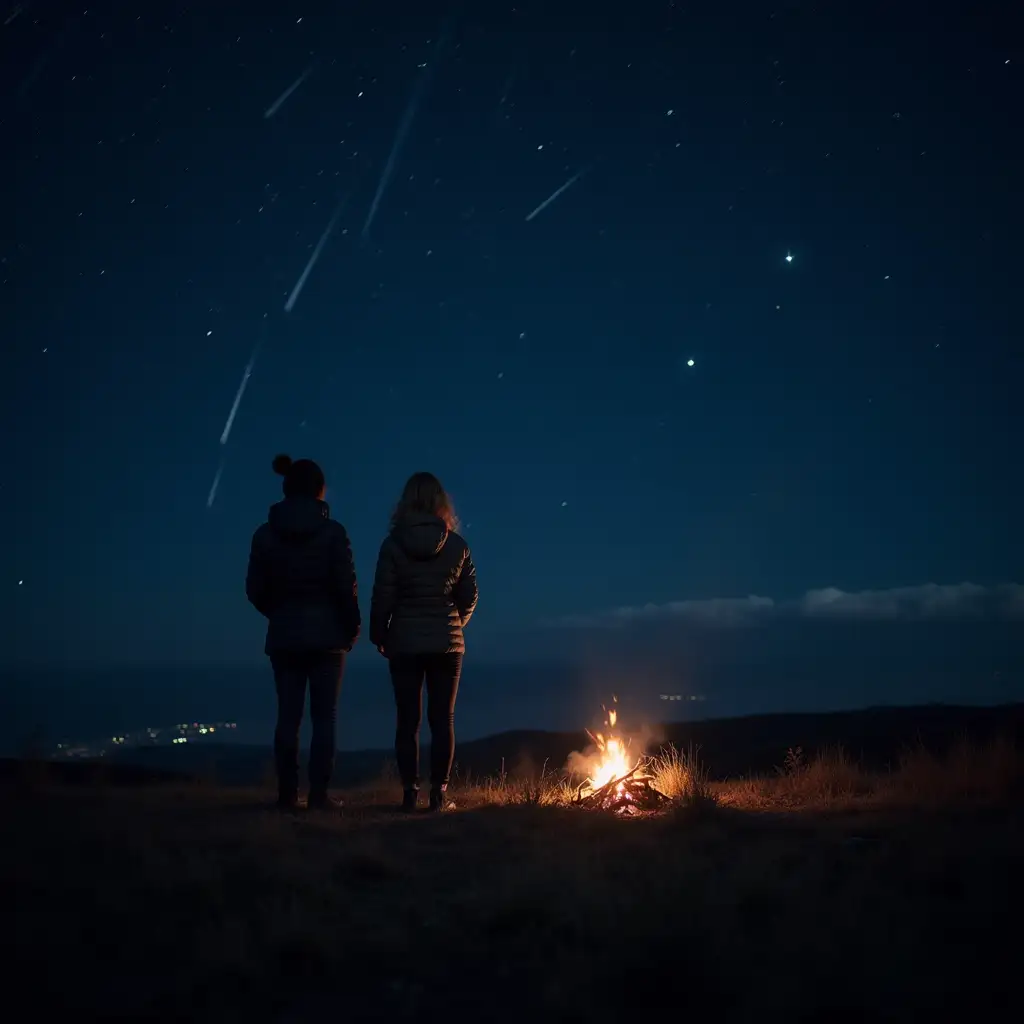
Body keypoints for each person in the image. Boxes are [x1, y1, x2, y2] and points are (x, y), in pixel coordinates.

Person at [245, 454, 360, 811]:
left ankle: (286, 795)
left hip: (285, 636)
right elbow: (346, 586)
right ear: (319, 491)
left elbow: (254, 589)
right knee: (325, 717)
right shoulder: (333, 533)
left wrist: (279, 613)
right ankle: (319, 796)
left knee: (287, 716)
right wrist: (351, 625)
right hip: (328, 640)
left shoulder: (265, 535)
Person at [370, 472, 478, 812]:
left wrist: (379, 633)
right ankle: (438, 795)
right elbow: (469, 595)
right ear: (441, 503)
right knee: (442, 719)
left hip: (404, 642)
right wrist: (453, 625)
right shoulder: (457, 545)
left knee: (408, 719)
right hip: (447, 645)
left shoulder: (392, 545)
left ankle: (408, 793)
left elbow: (382, 595)